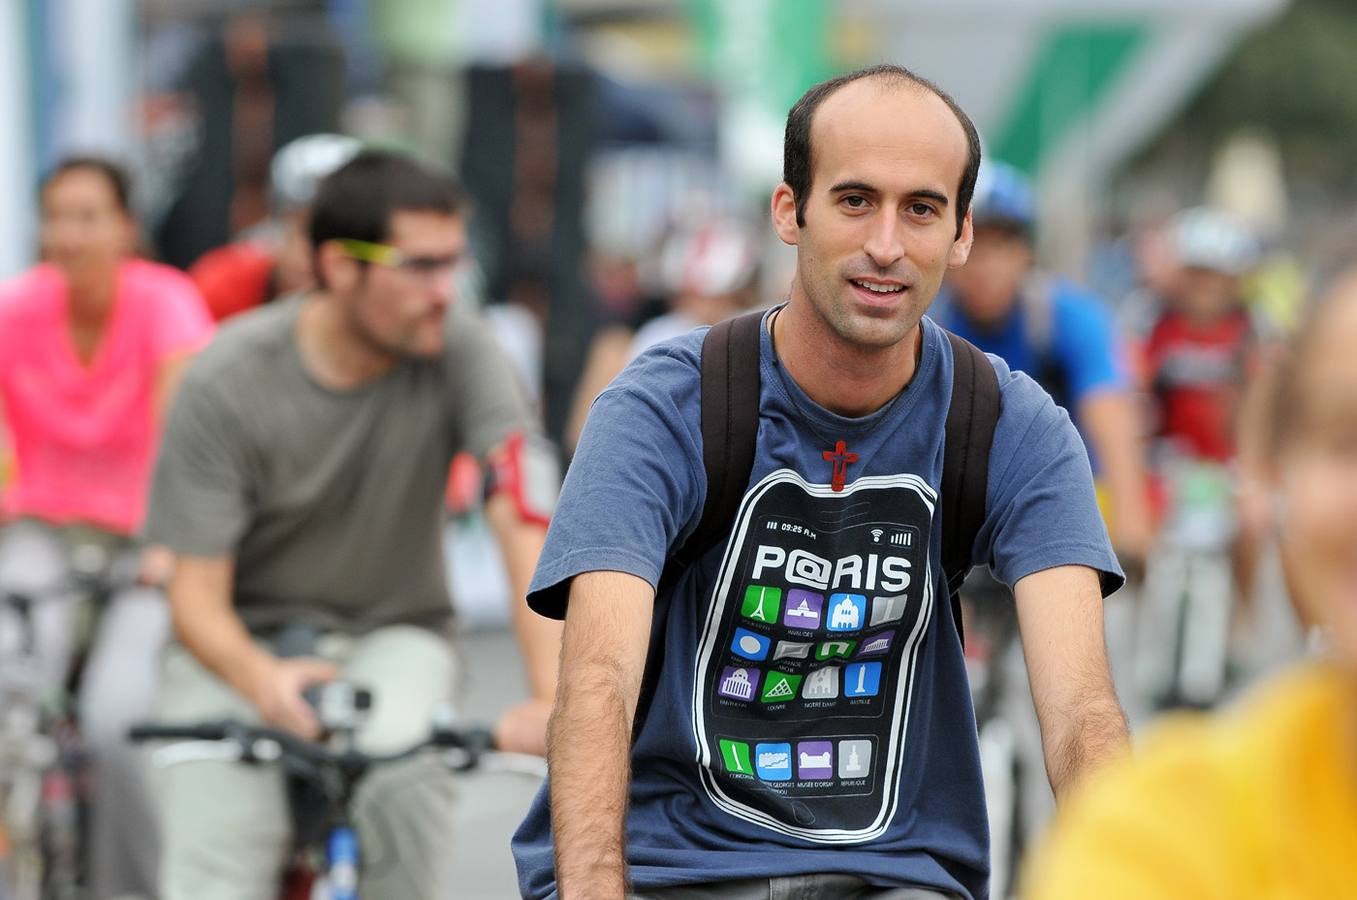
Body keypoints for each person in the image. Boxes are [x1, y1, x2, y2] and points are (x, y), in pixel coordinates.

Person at [513, 64, 1127, 900]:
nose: (885, 245)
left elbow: (1081, 720)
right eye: (853, 200)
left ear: (961, 233)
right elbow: (597, 684)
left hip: (893, 876)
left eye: (920, 208)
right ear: (788, 212)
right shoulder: (663, 406)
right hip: (670, 870)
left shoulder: (1009, 423)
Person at [144, 150, 561, 899]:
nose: (447, 292)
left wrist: (556, 702)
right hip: (240, 644)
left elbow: (520, 511)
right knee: (217, 858)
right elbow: (194, 593)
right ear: (340, 265)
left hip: (393, 631)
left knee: (406, 790)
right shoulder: (226, 377)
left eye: (454, 265)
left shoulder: (460, 347)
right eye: (421, 267)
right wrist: (261, 680)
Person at [1022, 268, 1357, 898]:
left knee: (1247, 529)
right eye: (1346, 442)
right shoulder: (1158, 833)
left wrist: (1248, 476)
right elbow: (1130, 396)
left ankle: (1241, 609)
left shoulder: (1250, 330)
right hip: (1174, 466)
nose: (1204, 290)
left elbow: (1260, 394)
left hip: (1223, 469)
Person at [0, 156, 215, 898]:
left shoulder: (166, 304)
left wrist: (169, 543)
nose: (70, 234)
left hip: (144, 545)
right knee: (9, 685)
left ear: (126, 227)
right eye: (57, 215)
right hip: (41, 534)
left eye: (89, 215)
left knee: (119, 722)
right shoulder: (16, 310)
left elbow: (184, 433)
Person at [935, 160, 1151, 563]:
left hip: (1060, 490)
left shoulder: (1069, 317)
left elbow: (1111, 420)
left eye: (1000, 246)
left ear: (1026, 253)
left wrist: (1132, 524)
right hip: (963, 496)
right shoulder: (928, 322)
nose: (983, 266)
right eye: (971, 245)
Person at [188, 133, 362, 320]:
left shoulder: (376, 301)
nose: (308, 252)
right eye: (299, 228)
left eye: (335, 235)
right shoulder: (225, 279)